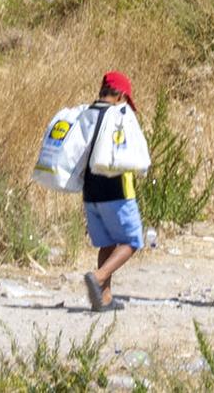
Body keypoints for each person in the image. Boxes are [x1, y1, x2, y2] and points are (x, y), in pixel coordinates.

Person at [80, 72, 142, 313]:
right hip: (117, 191)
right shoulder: (118, 117)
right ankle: (98, 276)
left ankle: (104, 298)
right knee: (132, 240)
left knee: (107, 242)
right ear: (121, 96)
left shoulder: (87, 114)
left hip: (90, 192)